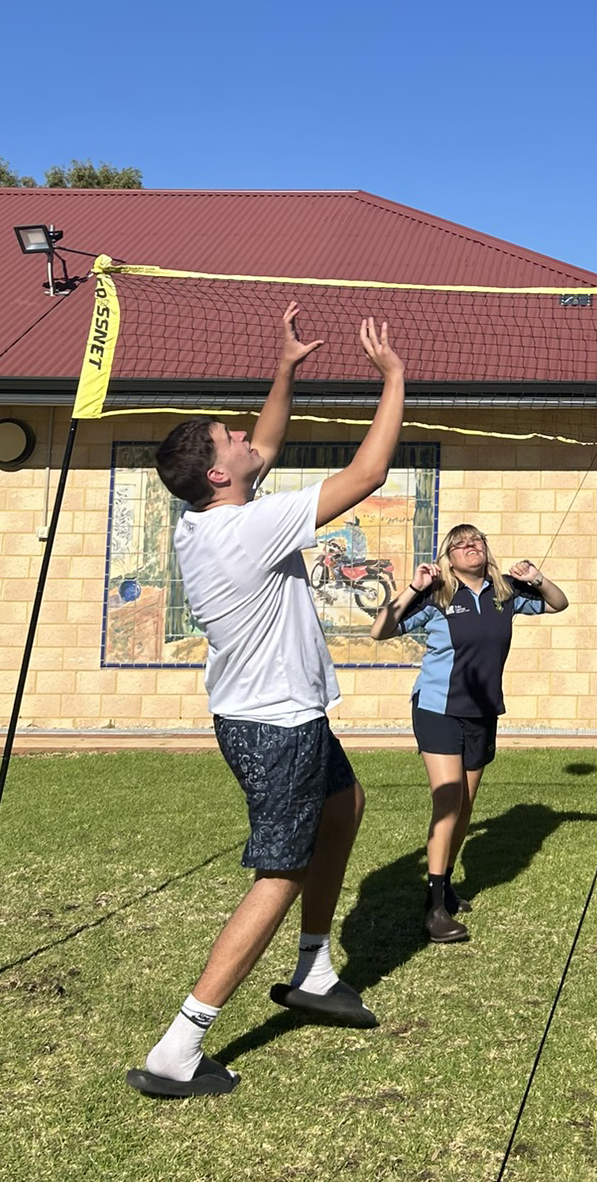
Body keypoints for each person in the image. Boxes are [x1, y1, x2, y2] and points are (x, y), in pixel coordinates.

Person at [127, 308, 405, 1098]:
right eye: (232, 439)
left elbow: (269, 445)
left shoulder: (204, 518)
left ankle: (313, 968)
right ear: (219, 472)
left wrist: (285, 368)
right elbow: (368, 476)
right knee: (278, 872)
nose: (248, 439)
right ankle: (178, 1047)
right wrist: (393, 381)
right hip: (274, 725)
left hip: (277, 716)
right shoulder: (246, 529)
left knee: (344, 805)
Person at [371, 524, 568, 942]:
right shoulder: (437, 595)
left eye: (475, 541)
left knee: (465, 807)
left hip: (482, 711)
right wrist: (411, 587)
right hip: (438, 709)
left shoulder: (506, 593)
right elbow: (380, 630)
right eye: (458, 544)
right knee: (448, 802)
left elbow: (558, 603)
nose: (468, 547)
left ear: (485, 550)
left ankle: (445, 886)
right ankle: (433, 906)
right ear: (449, 557)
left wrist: (537, 578)